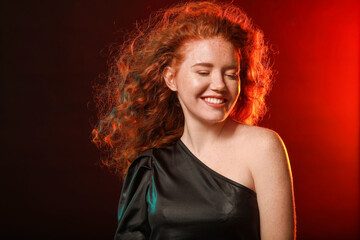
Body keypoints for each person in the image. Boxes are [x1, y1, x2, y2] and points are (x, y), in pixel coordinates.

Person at [92, 1, 296, 239]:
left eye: (231, 74)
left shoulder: (263, 147)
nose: (219, 85)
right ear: (171, 79)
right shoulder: (150, 167)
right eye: (203, 72)